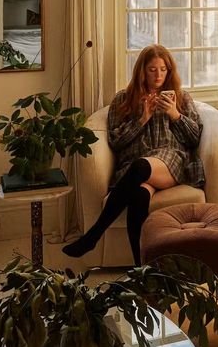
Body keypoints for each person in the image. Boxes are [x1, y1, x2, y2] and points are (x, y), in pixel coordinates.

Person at [62, 44, 204, 264]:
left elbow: (194, 139)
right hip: (135, 166)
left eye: (163, 69)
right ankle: (142, 270)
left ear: (169, 70)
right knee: (139, 196)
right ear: (141, 71)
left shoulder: (181, 98)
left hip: (169, 161)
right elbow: (116, 142)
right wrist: (142, 119)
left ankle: (93, 234)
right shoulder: (123, 99)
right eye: (152, 70)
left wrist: (175, 115)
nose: (158, 75)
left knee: (141, 167)